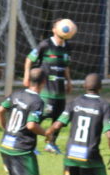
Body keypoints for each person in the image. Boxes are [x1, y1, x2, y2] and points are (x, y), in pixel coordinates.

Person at [23, 19, 73, 153]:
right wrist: (26, 76)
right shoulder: (45, 45)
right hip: (46, 89)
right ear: (54, 29)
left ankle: (51, 144)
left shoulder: (67, 46)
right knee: (38, 117)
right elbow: (29, 59)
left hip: (60, 90)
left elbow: (66, 65)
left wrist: (69, 81)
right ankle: (29, 144)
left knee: (59, 118)